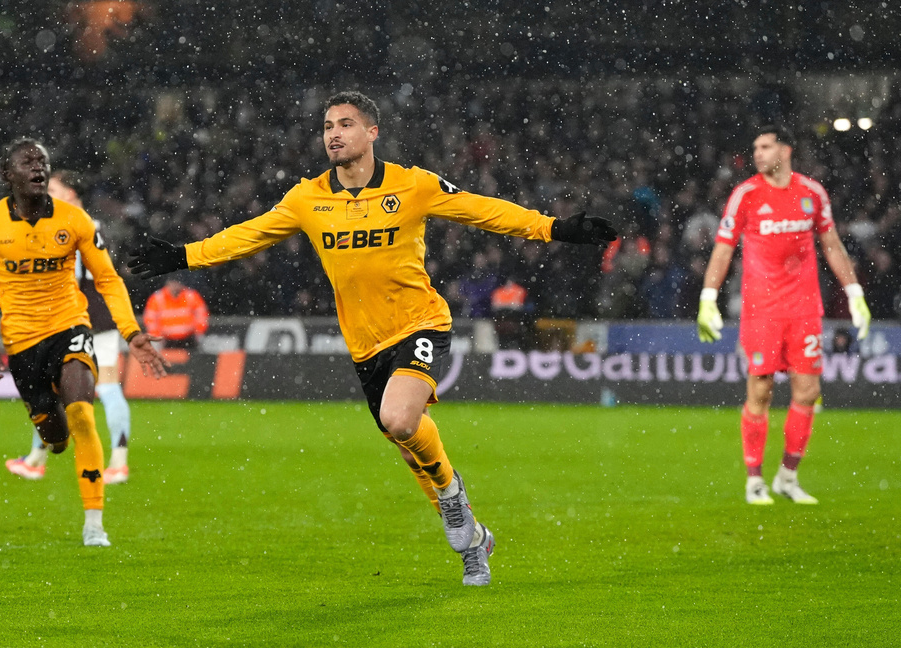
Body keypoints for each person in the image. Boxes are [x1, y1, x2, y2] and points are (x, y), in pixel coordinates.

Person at [129, 91, 616, 585]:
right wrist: (184, 256)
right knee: (409, 445)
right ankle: (472, 540)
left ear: (372, 133)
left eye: (345, 124)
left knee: (400, 418)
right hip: (365, 345)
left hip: (419, 322)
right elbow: (248, 234)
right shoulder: (307, 198)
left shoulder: (413, 185)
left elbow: (482, 210)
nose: (333, 134)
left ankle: (452, 500)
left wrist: (554, 228)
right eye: (326, 127)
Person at [0, 138, 168, 546]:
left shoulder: (76, 221)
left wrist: (132, 332)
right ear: (8, 175)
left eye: (42, 161)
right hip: (22, 343)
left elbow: (109, 279)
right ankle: (50, 437)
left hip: (70, 328)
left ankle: (94, 523)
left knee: (81, 413)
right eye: (27, 162)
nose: (38, 167)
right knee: (56, 437)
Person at [696, 125, 871, 505]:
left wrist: (854, 292)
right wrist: (708, 298)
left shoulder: (811, 193)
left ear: (785, 150)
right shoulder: (745, 195)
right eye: (755, 147)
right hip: (761, 310)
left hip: (805, 308)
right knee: (760, 390)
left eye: (765, 146)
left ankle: (787, 476)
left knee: (808, 391)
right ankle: (754, 479)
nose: (757, 153)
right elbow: (724, 250)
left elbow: (832, 243)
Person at [6, 171, 136, 485]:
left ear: (70, 193)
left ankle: (37, 459)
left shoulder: (67, 225)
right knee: (106, 388)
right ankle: (118, 463)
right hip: (103, 318)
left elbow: (66, 278)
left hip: (75, 319)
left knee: (53, 388)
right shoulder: (96, 225)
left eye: (52, 188)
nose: (45, 193)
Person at [143, 276, 210, 349]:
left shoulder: (191, 296)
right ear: (167, 283)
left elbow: (202, 315)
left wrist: (199, 332)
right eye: (172, 283)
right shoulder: (157, 298)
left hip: (189, 338)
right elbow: (150, 319)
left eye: (177, 283)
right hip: (166, 340)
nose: (175, 286)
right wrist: (156, 337)